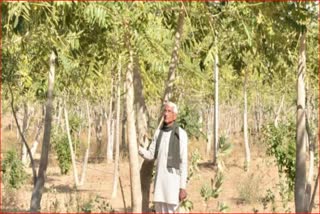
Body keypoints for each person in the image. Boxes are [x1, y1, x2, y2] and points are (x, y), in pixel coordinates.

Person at [139, 102, 188, 213]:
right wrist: (137, 148)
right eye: (164, 111)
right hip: (159, 183)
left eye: (169, 111)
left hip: (173, 184)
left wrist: (182, 187)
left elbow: (183, 162)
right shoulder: (158, 133)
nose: (165, 114)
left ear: (175, 115)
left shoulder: (181, 134)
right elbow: (151, 155)